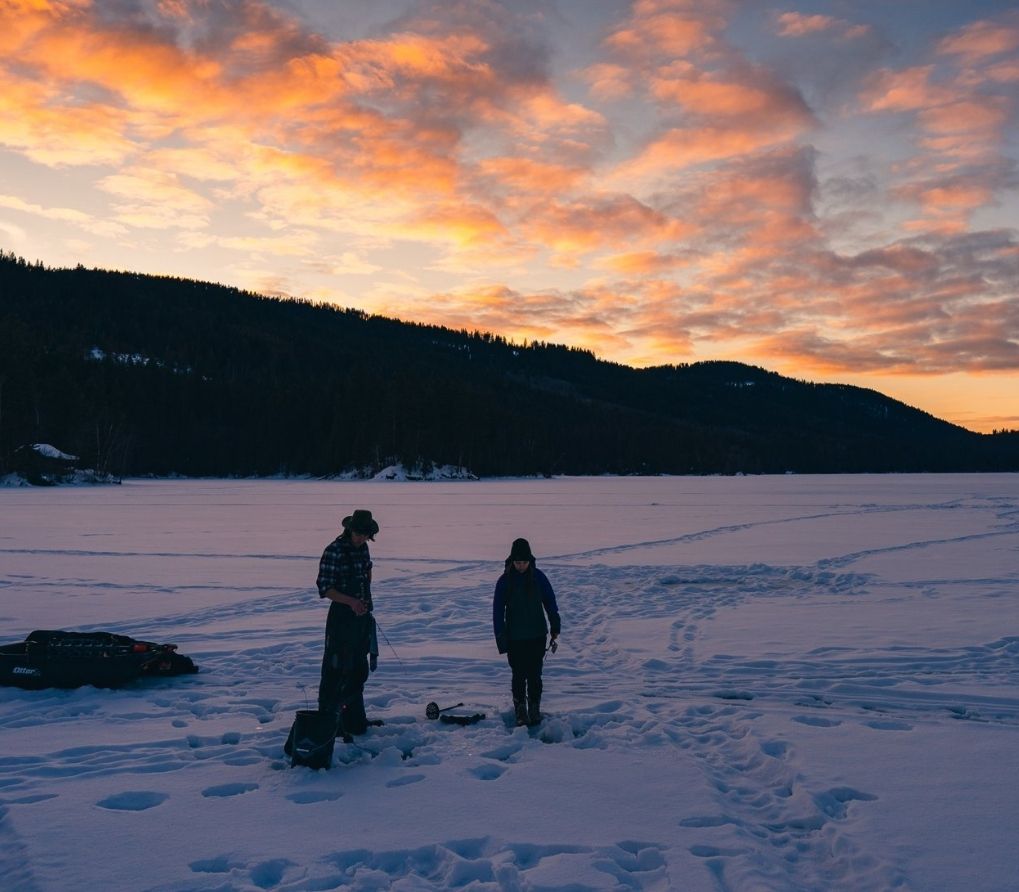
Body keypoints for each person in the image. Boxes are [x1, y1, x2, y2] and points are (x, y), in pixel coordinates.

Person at [316, 508, 380, 738]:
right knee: (335, 669)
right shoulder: (334, 551)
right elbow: (325, 589)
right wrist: (351, 602)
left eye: (366, 535)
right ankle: (329, 721)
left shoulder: (363, 549)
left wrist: (364, 600)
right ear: (349, 530)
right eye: (359, 534)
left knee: (357, 669)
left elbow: (367, 572)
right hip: (340, 619)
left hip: (360, 620)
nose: (362, 538)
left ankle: (354, 720)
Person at [493, 537, 561, 726]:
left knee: (534, 674)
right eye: (517, 562)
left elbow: (550, 602)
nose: (521, 566)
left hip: (537, 635)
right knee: (518, 674)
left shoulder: (538, 577)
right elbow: (497, 611)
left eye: (524, 562)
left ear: (530, 560)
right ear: (511, 560)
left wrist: (555, 625)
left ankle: (534, 707)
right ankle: (520, 709)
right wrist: (501, 638)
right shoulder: (505, 581)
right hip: (515, 637)